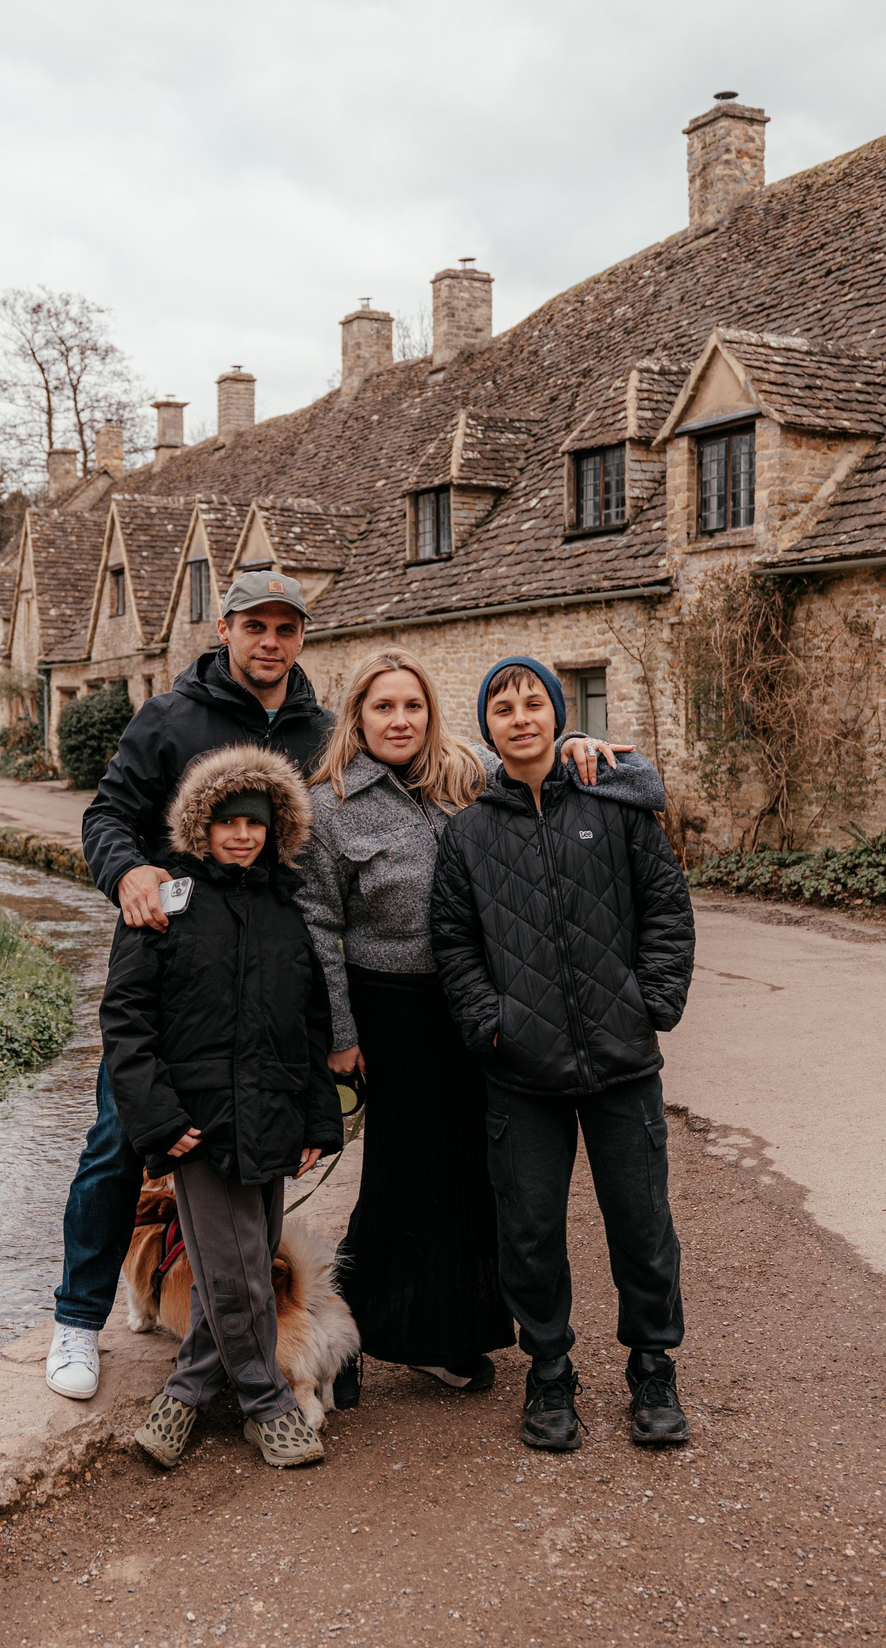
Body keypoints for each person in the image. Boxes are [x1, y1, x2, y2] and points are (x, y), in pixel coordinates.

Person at [45, 575, 635, 1404]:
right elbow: (107, 813)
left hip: (282, 983)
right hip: (185, 965)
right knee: (124, 1134)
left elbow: (501, 781)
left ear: (301, 637)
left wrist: (575, 748)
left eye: (286, 628)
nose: (270, 641)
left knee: (278, 1151)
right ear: (226, 628)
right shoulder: (170, 719)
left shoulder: (322, 730)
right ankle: (78, 1316)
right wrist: (130, 870)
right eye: (256, 625)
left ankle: (273, 1331)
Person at [296, 648, 664, 1402]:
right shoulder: (329, 805)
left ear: (432, 714)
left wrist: (573, 745)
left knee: (476, 1175)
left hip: (486, 999)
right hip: (391, 1008)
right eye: (383, 707)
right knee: (400, 1173)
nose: (400, 720)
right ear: (356, 717)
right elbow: (316, 926)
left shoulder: (463, 777)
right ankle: (350, 1328)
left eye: (413, 706)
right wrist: (339, 1036)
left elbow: (588, 780)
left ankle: (446, 1331)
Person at [430, 655, 697, 1452]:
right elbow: (454, 941)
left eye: (533, 702)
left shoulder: (613, 806)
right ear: (488, 728)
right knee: (532, 1229)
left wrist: (652, 1003)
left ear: (557, 713)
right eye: (503, 707)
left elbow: (666, 910)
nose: (520, 717)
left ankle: (652, 1366)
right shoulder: (469, 834)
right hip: (523, 1072)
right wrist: (490, 1022)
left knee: (643, 1224)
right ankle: (550, 1372)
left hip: (622, 1064)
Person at [108, 744, 340, 1470]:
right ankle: (267, 1404)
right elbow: (127, 1019)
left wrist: (317, 1117)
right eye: (228, 821)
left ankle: (184, 1390)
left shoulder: (287, 910)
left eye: (257, 823)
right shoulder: (166, 901)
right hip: (195, 1125)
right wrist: (159, 1119)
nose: (242, 835)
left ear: (276, 830)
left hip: (270, 1114)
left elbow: (309, 1024)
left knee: (228, 1273)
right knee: (239, 1270)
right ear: (201, 826)